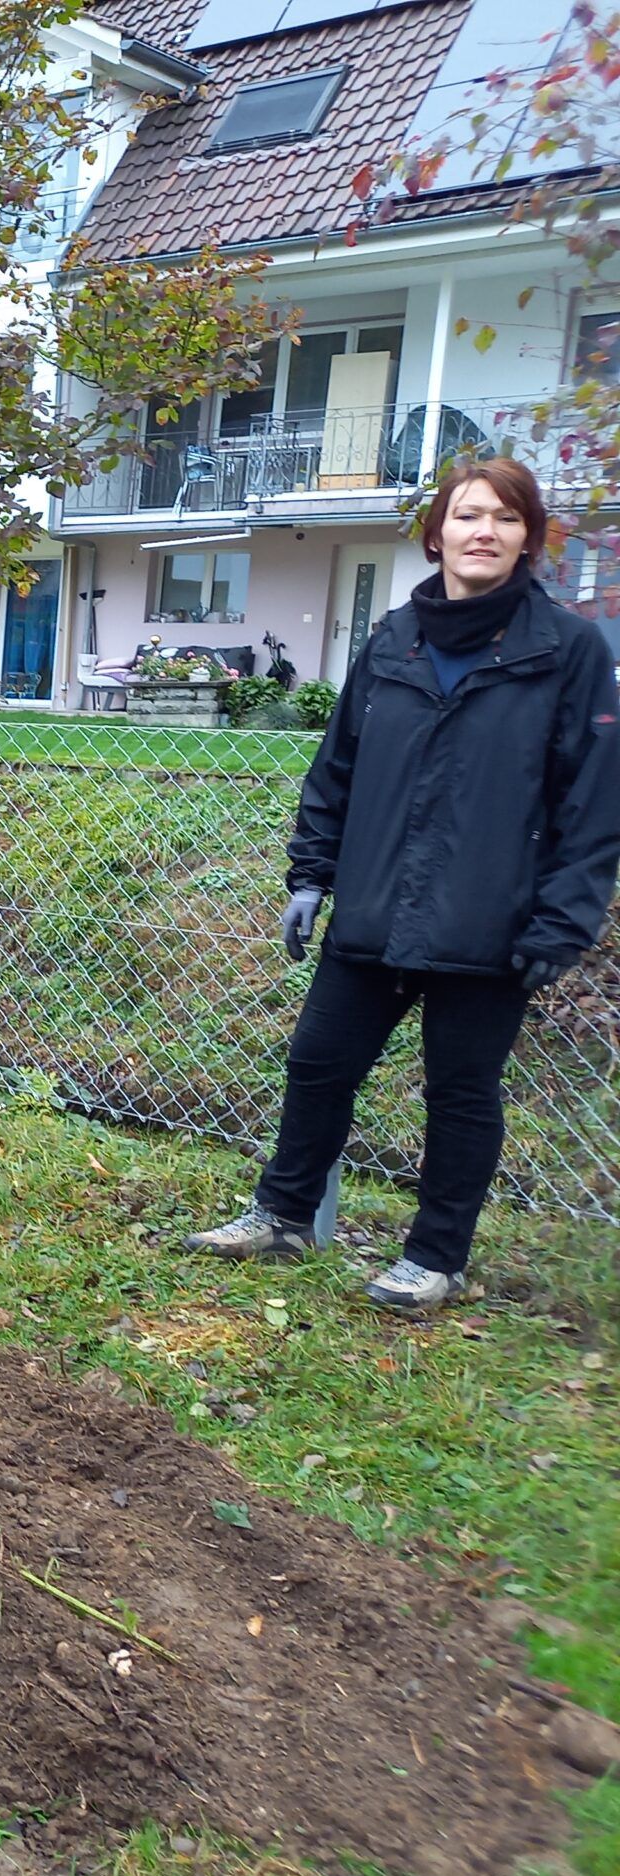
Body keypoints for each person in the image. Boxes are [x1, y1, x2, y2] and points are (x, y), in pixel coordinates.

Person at [186, 458, 620, 1311]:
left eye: (505, 518)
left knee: (460, 1093)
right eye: (467, 515)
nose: (483, 531)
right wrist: (311, 875)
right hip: (376, 909)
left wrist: (563, 921)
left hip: (491, 924)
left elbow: (595, 802)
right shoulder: (393, 638)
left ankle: (436, 1258)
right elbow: (336, 769)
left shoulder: (568, 650)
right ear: (437, 534)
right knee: (318, 1064)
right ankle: (282, 1215)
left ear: (529, 538)